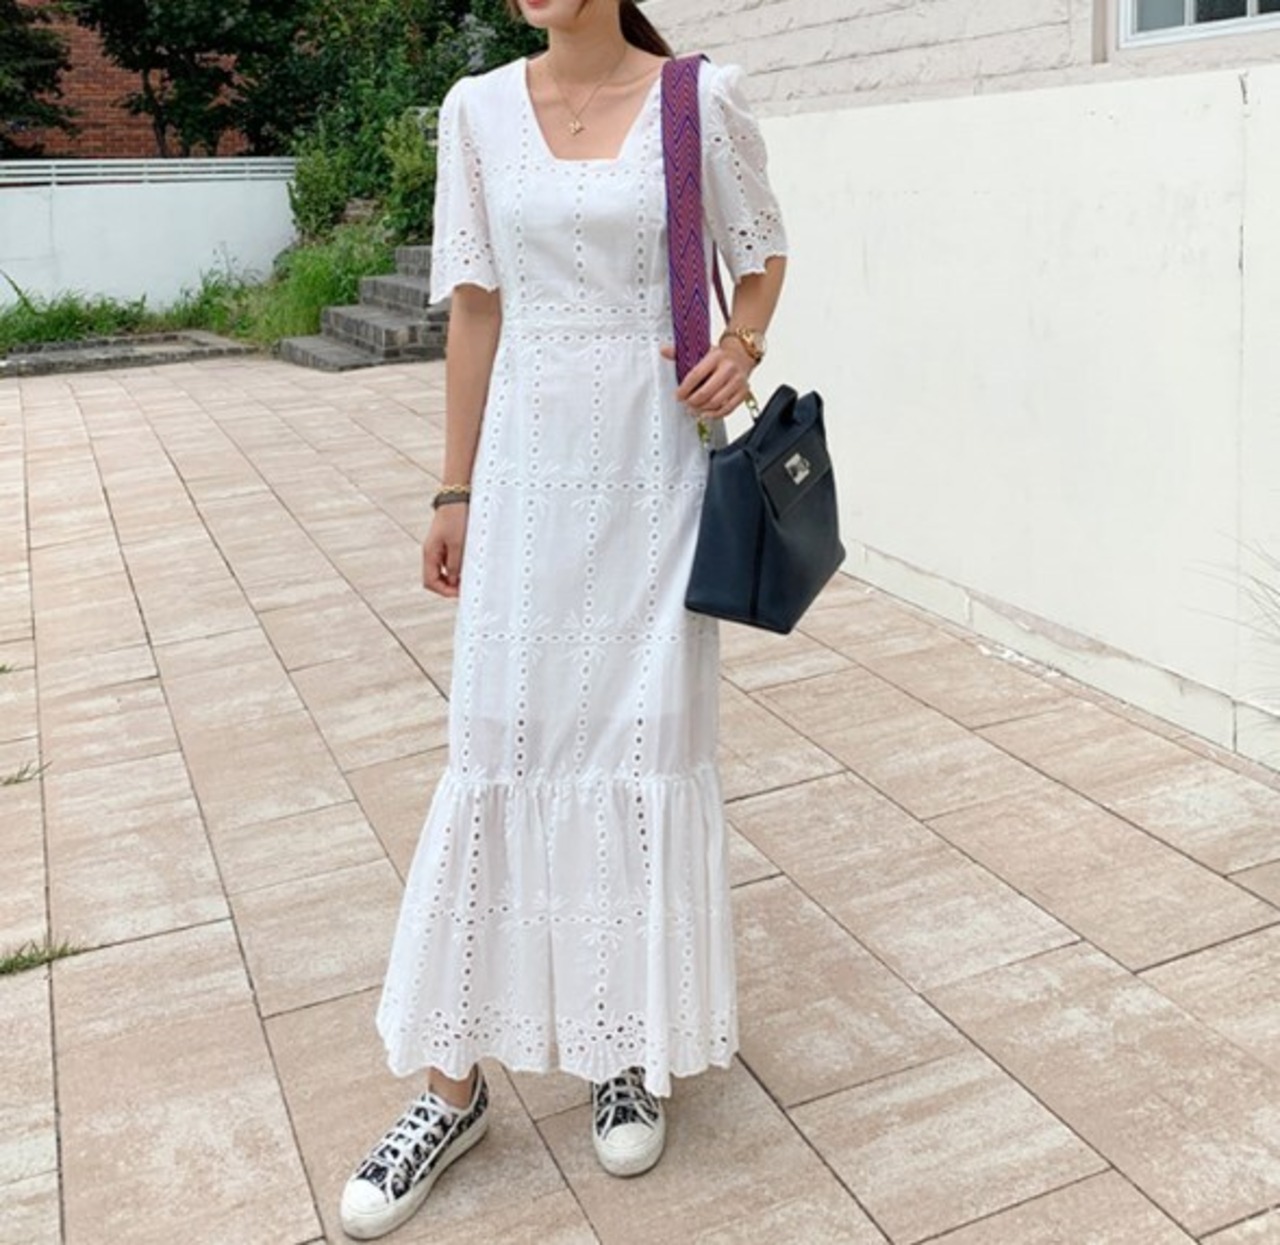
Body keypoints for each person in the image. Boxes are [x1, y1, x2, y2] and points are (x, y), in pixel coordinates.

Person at [339, 0, 787, 1237]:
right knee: (495, 752)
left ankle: (621, 1044)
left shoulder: (699, 98)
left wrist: (742, 341)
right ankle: (448, 1087)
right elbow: (474, 307)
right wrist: (452, 489)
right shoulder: (475, 110)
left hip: (655, 475)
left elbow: (760, 252)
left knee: (637, 752)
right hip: (528, 475)